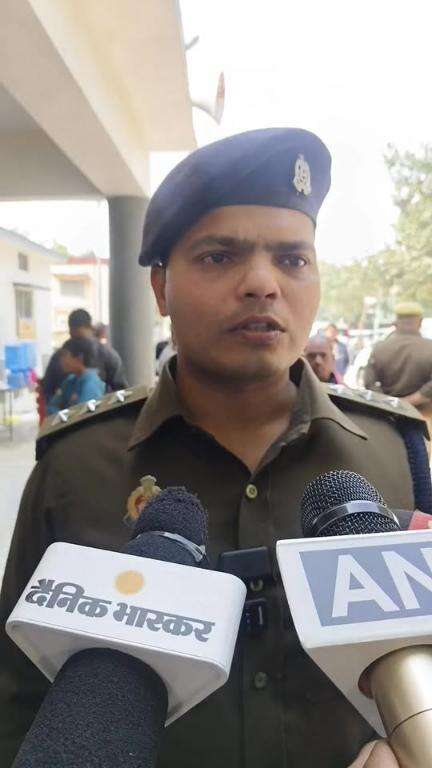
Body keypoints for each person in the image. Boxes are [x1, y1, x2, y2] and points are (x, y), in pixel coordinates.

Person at [1, 129, 427, 768]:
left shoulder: (397, 451)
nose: (262, 284)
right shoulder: (76, 464)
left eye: (292, 259)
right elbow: (17, 698)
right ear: (161, 288)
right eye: (219, 256)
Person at [41, 308, 128, 401]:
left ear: (91, 329)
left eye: (81, 338)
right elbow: (47, 390)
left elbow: (120, 391)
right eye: (75, 338)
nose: (79, 345)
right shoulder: (62, 357)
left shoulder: (108, 356)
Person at [364, 302, 432, 416]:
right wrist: (409, 401)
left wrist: (390, 403)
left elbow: (369, 383)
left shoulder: (379, 348)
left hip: (386, 416)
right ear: (420, 322)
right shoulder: (429, 348)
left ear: (395, 323)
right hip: (423, 415)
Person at [47, 337, 106, 414]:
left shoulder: (91, 382)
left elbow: (83, 414)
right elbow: (52, 406)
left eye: (65, 355)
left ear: (79, 358)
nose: (61, 360)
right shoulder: (70, 380)